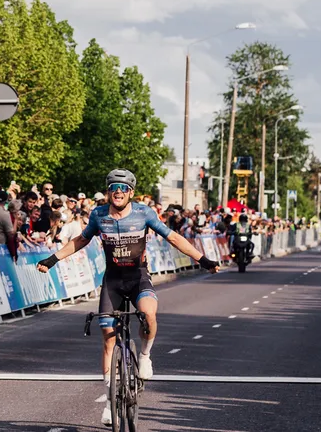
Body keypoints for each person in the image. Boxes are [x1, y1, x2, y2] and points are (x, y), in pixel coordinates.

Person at [36, 169, 218, 426]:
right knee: (108, 340)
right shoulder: (99, 215)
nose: (118, 192)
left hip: (138, 278)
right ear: (108, 192)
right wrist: (52, 259)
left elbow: (174, 237)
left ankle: (144, 356)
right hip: (113, 281)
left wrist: (202, 259)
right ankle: (111, 404)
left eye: (122, 189)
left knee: (148, 315)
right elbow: (80, 240)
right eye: (113, 188)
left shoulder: (144, 213)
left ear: (131, 193)